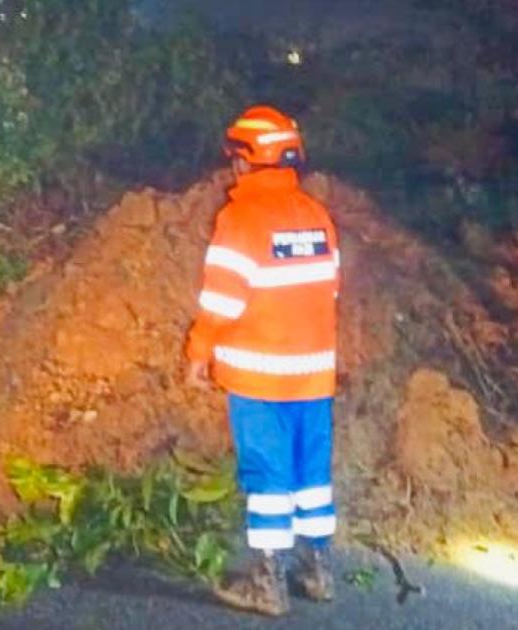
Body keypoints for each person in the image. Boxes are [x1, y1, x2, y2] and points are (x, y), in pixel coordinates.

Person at [182, 105, 340, 616]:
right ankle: (317, 572)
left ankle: (267, 585)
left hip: (259, 375)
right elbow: (330, 289)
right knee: (311, 472)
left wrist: (198, 352)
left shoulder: (241, 219)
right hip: (314, 373)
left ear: (246, 160)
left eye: (235, 157)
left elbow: (223, 302)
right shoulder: (317, 216)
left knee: (267, 475)